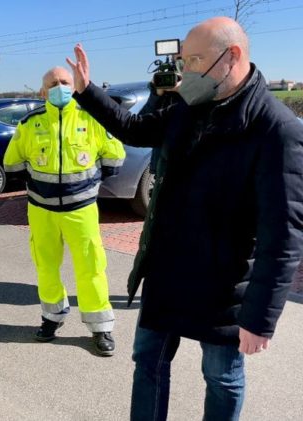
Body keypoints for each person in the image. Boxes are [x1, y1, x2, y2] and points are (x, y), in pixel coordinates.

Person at [67, 17, 303, 420]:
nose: (185, 71)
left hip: (223, 288)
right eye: (183, 61)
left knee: (222, 378)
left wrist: (261, 317)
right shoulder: (187, 106)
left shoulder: (275, 130)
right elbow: (134, 128)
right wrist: (87, 91)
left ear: (232, 57)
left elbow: (283, 235)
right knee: (148, 363)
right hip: (166, 274)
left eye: (194, 60)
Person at [3, 66, 125, 356]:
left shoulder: (91, 117)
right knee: (46, 267)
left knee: (91, 267)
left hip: (81, 209)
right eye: (53, 83)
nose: (59, 87)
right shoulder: (29, 123)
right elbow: (13, 163)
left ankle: (100, 326)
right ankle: (52, 317)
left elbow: (114, 157)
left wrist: (88, 184)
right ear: (43, 92)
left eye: (65, 82)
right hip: (41, 210)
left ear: (74, 86)